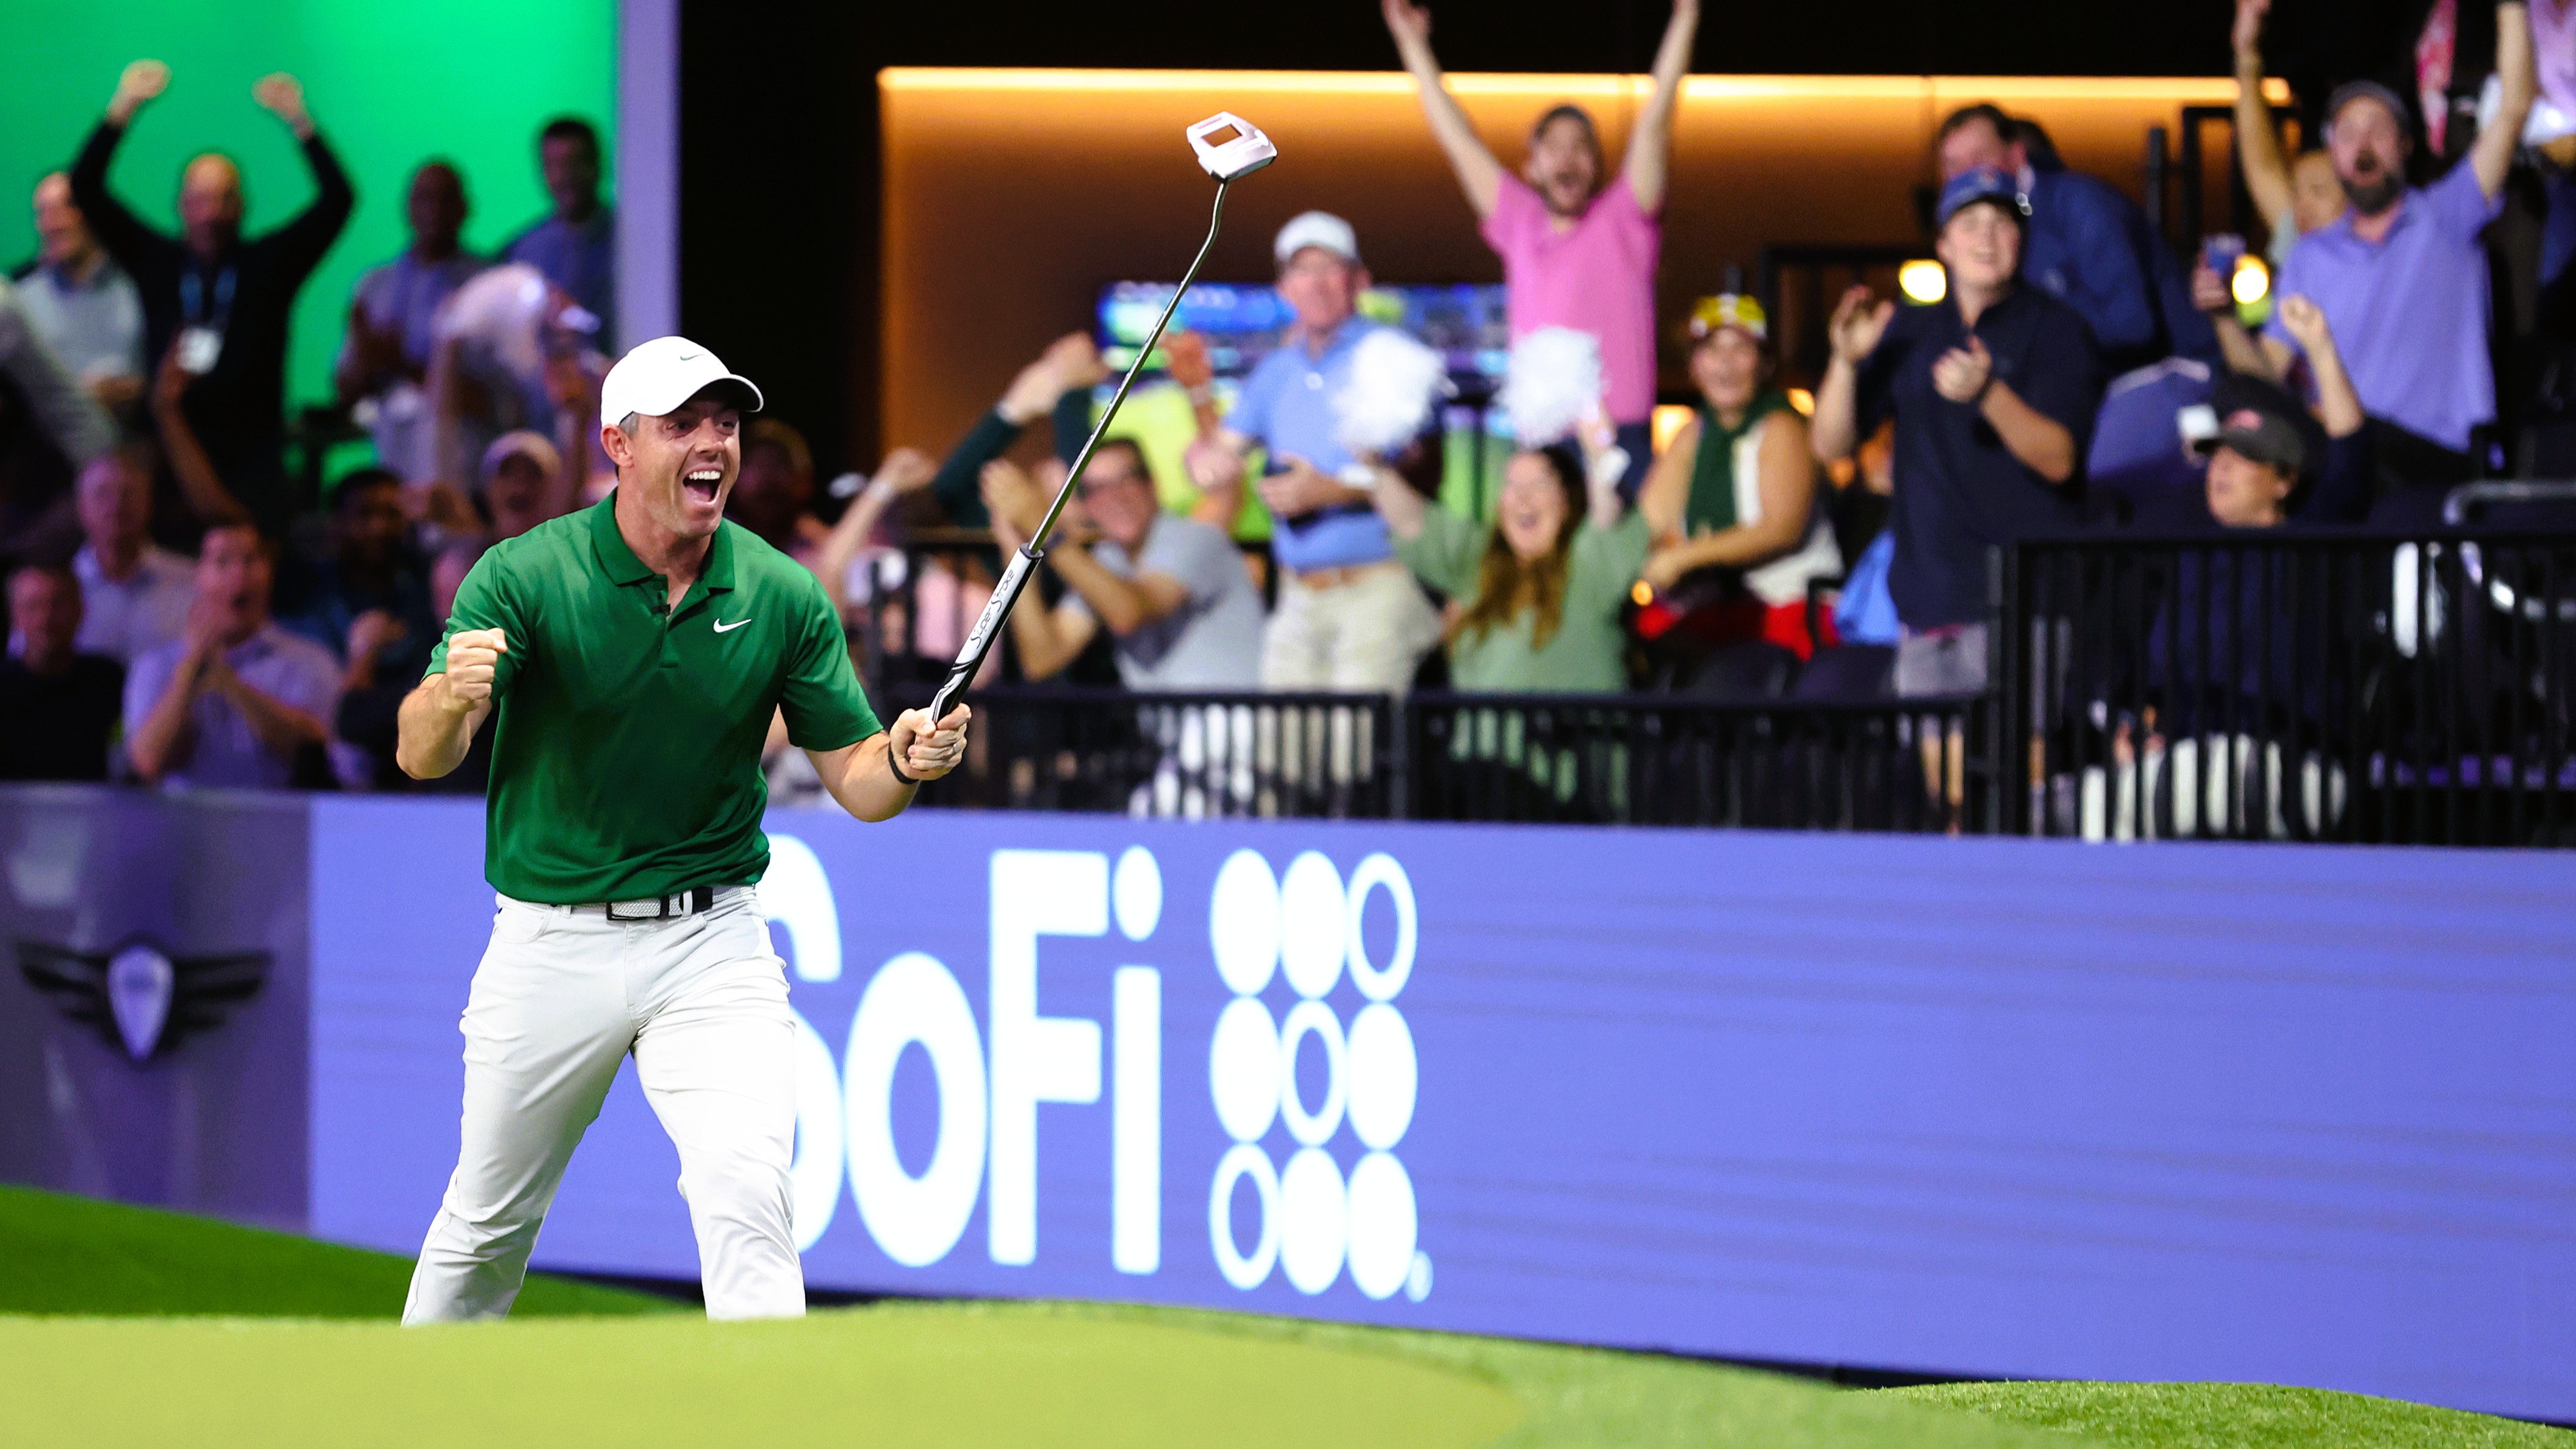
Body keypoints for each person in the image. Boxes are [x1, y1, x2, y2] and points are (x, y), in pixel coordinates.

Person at [394, 335, 970, 1325]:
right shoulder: (525, 575)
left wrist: (909, 756)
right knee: (487, 1225)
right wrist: (450, 698)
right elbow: (421, 754)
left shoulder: (781, 593)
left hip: (712, 941)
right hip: (551, 937)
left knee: (750, 1205)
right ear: (617, 445)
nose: (713, 443)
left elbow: (861, 784)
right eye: (683, 425)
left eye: (725, 422)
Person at [1810, 167, 2105, 697]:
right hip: (1927, 600)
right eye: (1970, 223)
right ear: (1943, 244)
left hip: (2026, 602)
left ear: (2022, 239)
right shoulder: (1911, 327)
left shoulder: (2059, 328)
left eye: (2002, 223)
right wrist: (1844, 363)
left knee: (2025, 775)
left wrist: (1988, 392)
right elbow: (1829, 446)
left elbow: (2059, 460)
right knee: (1942, 778)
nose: (1987, 238)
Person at [1384, 0, 1695, 487]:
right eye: (1552, 146)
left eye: (1580, 146)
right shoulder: (1519, 221)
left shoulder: (1622, 219)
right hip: (1540, 441)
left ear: (1597, 164)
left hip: (1619, 437)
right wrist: (1411, 43)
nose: (1566, 157)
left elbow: (1655, 125)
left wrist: (1685, 16)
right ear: (1531, 166)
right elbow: (1458, 140)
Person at [2254, 3, 2538, 491]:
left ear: (2405, 145)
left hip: (2433, 460)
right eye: (2347, 132)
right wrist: (2220, 322)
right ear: (2333, 154)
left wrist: (2510, 5)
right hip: (2339, 460)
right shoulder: (2309, 254)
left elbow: (2513, 108)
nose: (2362, 144)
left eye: (2377, 130)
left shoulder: (2447, 214)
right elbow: (2264, 375)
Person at [70, 62, 353, 531]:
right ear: (181, 207)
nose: (211, 214)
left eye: (223, 199)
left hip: (253, 455)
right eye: (199, 201)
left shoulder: (270, 266)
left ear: (243, 206)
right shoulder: (156, 262)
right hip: (172, 456)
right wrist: (124, 107)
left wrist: (300, 122)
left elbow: (338, 200)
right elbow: (86, 186)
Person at [1186, 213, 1442, 693]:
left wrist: (1328, 490)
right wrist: (1202, 453)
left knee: (1353, 755)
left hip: (1376, 589)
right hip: (1297, 596)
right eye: (1303, 270)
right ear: (1284, 287)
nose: (1317, 283)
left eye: (1330, 268)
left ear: (1358, 280)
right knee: (1281, 752)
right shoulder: (1276, 372)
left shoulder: (1392, 354)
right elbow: (1220, 453)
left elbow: (1423, 470)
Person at [1937, 104, 2215, 376]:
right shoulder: (1978, 230)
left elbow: (2133, 326)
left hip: (2175, 380)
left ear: (2017, 155)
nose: (1967, 173)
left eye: (1979, 157)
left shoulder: (2081, 205)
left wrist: (2031, 327)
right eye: (1954, 165)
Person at [1635, 295, 1842, 659]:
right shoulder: (1693, 433)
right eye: (1712, 349)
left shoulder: (1782, 426)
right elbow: (1648, 523)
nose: (1725, 364)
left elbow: (1781, 528)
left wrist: (1683, 558)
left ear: (1763, 364)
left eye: (1741, 349)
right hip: (1712, 615)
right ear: (1693, 366)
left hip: (1787, 613)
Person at [982, 442, 1265, 689]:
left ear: (1152, 485)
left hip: (1242, 727)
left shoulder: (1193, 539)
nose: (1115, 498)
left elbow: (1130, 611)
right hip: (1173, 742)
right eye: (1098, 489)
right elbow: (1043, 658)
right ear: (1087, 504)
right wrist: (1017, 552)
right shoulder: (1108, 560)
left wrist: (1041, 526)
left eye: (1126, 479)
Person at [1372, 437, 1644, 692]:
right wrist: (1373, 465)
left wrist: (1598, 449)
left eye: (1539, 485)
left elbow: (1606, 515)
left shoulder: (1589, 566)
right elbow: (1411, 521)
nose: (1523, 498)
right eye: (1511, 485)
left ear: (1566, 500)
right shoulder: (1477, 562)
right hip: (1483, 741)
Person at [123, 522, 341, 789]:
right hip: (185, 827)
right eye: (223, 562)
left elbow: (315, 754)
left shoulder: (310, 660)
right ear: (198, 575)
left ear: (269, 572)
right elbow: (146, 764)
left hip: (278, 823)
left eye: (251, 560)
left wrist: (228, 681)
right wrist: (191, 669)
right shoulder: (155, 665)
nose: (239, 574)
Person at [339, 162, 483, 481]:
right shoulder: (375, 286)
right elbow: (345, 391)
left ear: (464, 208)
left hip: (465, 467)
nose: (434, 210)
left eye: (445, 199)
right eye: (424, 198)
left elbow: (500, 400)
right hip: (391, 461)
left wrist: (402, 362)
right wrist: (364, 359)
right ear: (407, 207)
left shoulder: (486, 284)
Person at [2231, 0, 2348, 272]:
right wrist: (2246, 53)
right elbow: (2262, 167)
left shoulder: (2395, 262)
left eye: (2319, 191)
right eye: (2296, 193)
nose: (2299, 208)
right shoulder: (2305, 245)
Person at [15, 173, 145, 413]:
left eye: (65, 208)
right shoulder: (19, 300)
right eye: (43, 212)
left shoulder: (138, 287)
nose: (53, 223)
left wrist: (137, 390)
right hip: (46, 443)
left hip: (134, 438)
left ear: (93, 211)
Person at [67, 447, 193, 664]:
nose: (116, 505)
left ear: (149, 502)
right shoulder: (58, 591)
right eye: (103, 493)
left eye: (128, 493)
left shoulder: (192, 581)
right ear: (81, 508)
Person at [0, 564, 124, 782]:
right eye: (32, 606)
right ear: (15, 615)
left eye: (58, 604)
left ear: (80, 610)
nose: (45, 619)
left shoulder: (110, 680)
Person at [502, 118, 612, 343]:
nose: (566, 176)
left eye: (575, 163)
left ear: (597, 165)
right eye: (555, 165)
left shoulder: (630, 240)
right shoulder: (521, 251)